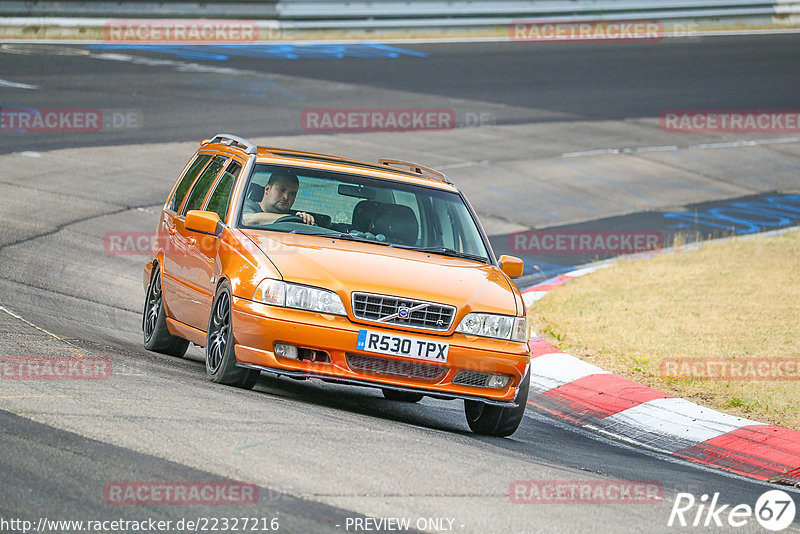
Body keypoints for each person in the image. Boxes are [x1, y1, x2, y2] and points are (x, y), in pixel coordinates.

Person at [242, 171, 315, 225]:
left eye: (292, 194)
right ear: (267, 189)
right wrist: (290, 219)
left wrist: (304, 220)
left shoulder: (294, 218)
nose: (286, 197)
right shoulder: (246, 205)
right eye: (281, 190)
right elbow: (247, 220)